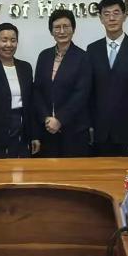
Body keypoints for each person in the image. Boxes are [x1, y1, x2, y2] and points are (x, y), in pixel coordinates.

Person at [87, 0, 128, 157]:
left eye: (116, 13)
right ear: (101, 18)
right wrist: (90, 125)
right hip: (101, 131)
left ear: (124, 16)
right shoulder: (92, 49)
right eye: (106, 14)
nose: (112, 18)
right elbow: (90, 92)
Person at [33, 9, 92, 157]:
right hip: (47, 130)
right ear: (51, 31)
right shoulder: (44, 56)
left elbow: (81, 94)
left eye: (66, 26)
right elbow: (37, 90)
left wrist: (60, 119)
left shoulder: (83, 57)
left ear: (73, 29)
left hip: (74, 130)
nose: (61, 31)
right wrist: (46, 118)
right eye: (57, 27)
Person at [0, 23, 38, 159]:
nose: (9, 44)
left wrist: (34, 135)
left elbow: (31, 105)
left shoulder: (25, 68)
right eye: (4, 40)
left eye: (13, 40)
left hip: (22, 132)